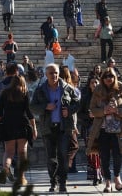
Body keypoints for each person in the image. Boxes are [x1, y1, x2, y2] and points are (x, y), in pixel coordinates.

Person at [31, 63, 81, 193]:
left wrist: (69, 111)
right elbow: (32, 107)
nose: (54, 75)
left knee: (63, 156)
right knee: (51, 158)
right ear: (46, 75)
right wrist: (45, 107)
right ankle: (53, 182)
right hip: (48, 128)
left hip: (64, 128)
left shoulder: (67, 88)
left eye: (56, 73)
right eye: (51, 73)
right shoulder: (40, 89)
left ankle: (63, 182)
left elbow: (78, 104)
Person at [88, 68, 122, 192]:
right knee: (104, 156)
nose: (109, 78)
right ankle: (107, 181)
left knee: (118, 155)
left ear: (115, 77)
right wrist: (103, 111)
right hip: (102, 129)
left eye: (111, 76)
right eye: (106, 76)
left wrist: (116, 110)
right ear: (102, 78)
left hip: (118, 130)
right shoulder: (97, 90)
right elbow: (92, 109)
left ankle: (117, 177)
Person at [0, 74, 37, 186]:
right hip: (22, 124)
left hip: (8, 125)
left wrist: (2, 122)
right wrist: (34, 128)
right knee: (22, 153)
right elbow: (29, 112)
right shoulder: (24, 93)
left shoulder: (4, 93)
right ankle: (21, 178)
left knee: (8, 152)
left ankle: (5, 170)